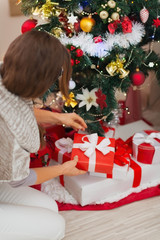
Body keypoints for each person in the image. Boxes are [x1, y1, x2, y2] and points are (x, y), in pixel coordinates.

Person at [0, 30, 86, 240]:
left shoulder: (5, 73)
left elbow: (15, 109)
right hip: (7, 179)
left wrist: (59, 118)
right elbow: (18, 181)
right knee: (55, 227)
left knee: (49, 207)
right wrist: (63, 169)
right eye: (57, 75)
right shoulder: (10, 136)